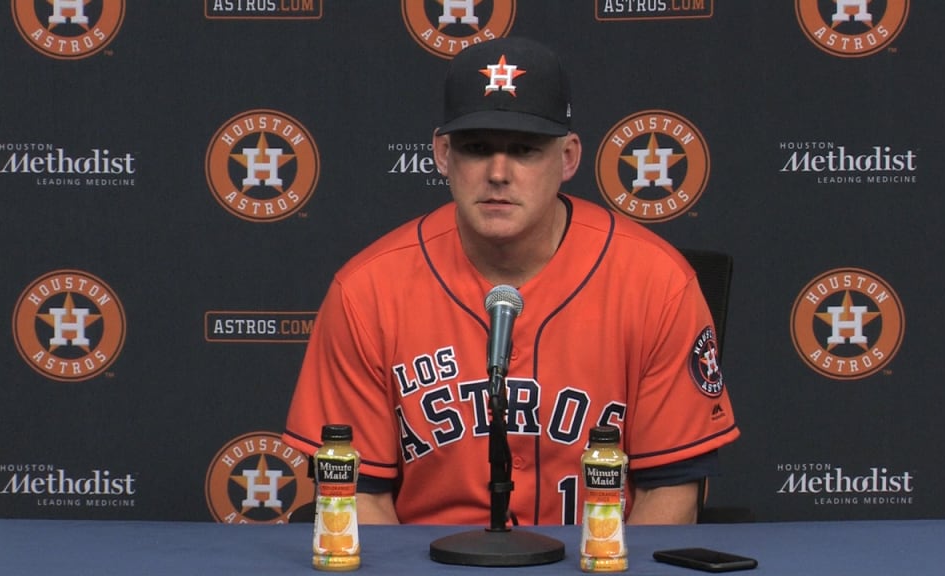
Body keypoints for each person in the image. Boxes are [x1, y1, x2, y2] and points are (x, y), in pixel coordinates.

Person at [283, 37, 739, 526]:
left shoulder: (656, 283)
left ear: (567, 158)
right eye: (477, 149)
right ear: (441, 153)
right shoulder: (367, 292)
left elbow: (671, 493)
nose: (498, 173)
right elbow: (358, 497)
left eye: (524, 150)